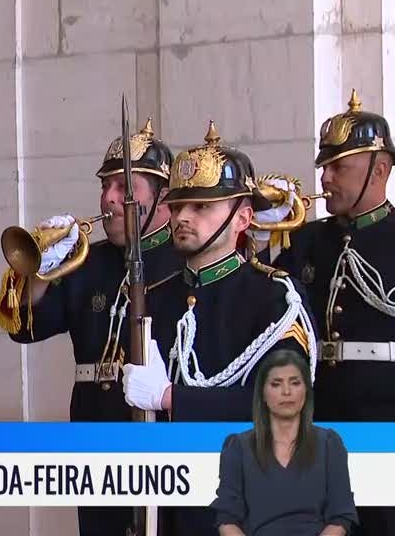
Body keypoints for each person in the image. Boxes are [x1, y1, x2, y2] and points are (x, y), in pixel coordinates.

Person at [121, 121, 317, 535]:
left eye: (201, 207)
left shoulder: (275, 298)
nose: (182, 218)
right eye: (177, 207)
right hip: (172, 503)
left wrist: (173, 397)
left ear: (243, 216)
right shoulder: (157, 299)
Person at [0, 119, 181, 536]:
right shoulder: (88, 262)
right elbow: (24, 328)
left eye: (122, 188)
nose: (109, 199)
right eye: (105, 186)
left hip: (164, 441)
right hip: (94, 435)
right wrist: (41, 269)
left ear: (163, 200)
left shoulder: (185, 262)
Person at [266, 89, 395, 535]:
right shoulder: (307, 239)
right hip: (319, 419)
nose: (324, 179)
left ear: (380, 169)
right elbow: (262, 296)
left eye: (339, 166)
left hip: (385, 424)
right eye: (324, 166)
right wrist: (266, 228)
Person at [211, 349, 358, 535]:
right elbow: (227, 520)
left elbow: (340, 517)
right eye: (276, 384)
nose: (287, 392)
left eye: (295, 383)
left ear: (306, 391)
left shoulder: (329, 444)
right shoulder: (238, 447)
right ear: (263, 394)